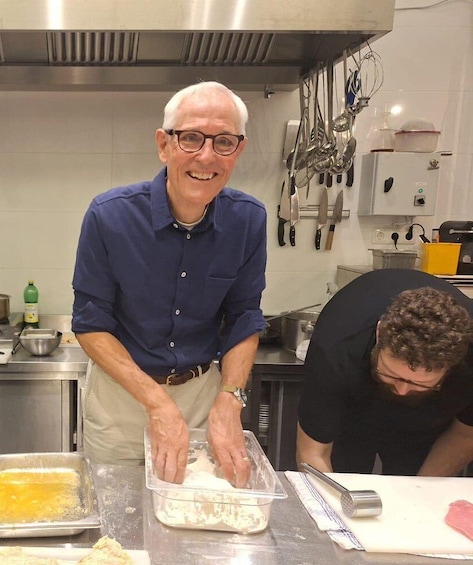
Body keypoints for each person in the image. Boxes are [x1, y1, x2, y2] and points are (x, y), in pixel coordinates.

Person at [72, 81, 267, 486]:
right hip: (121, 399)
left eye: (224, 142)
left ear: (239, 150)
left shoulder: (248, 221)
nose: (207, 156)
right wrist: (157, 403)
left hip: (201, 397)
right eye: (191, 138)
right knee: (116, 514)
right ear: (164, 145)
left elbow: (244, 317)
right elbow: (90, 324)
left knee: (197, 518)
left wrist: (230, 401)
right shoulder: (110, 217)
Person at [296, 268, 473, 476]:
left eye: (421, 383)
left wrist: (418, 492)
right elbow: (313, 453)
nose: (402, 390)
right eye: (391, 374)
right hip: (352, 413)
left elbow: (465, 435)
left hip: (429, 420)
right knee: (346, 475)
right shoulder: (337, 347)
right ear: (379, 334)